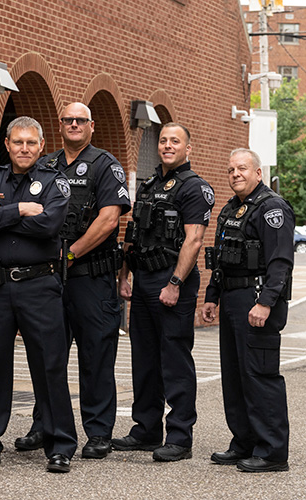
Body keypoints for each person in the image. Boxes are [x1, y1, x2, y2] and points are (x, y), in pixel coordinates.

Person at [15, 102, 131, 459]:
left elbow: (109, 219)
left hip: (89, 277)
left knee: (96, 356)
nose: (74, 125)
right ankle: (43, 425)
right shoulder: (44, 164)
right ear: (60, 125)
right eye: (68, 120)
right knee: (47, 355)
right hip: (49, 277)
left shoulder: (105, 165)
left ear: (91, 126)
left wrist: (72, 252)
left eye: (81, 120)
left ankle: (98, 433)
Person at [0, 116, 77, 473]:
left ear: (41, 146)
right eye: (17, 142)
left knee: (49, 366)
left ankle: (60, 445)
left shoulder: (54, 181)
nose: (24, 148)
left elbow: (50, 226)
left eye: (31, 143)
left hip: (38, 286)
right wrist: (20, 209)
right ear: (7, 144)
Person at [112, 123, 215, 462]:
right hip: (142, 279)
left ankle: (180, 437)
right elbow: (133, 234)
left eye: (175, 141)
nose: (168, 146)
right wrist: (124, 276)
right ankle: (146, 429)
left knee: (174, 359)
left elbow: (194, 240)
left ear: (189, 147)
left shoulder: (194, 187)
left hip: (172, 281)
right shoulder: (150, 185)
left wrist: (175, 283)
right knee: (144, 358)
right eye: (164, 141)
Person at [202, 148, 293, 473]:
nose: (236, 174)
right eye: (231, 170)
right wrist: (212, 296)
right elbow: (222, 257)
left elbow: (280, 262)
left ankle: (271, 452)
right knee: (235, 375)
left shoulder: (272, 209)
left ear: (258, 173)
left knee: (260, 375)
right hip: (233, 298)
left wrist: (266, 302)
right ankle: (244, 441)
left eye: (242, 168)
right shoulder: (232, 208)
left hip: (257, 300)